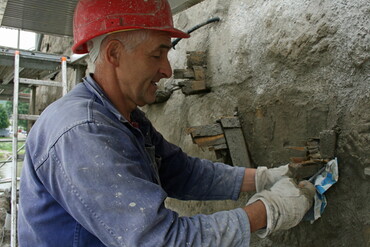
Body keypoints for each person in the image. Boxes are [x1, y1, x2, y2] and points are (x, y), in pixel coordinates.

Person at [18, 0, 315, 246]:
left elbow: (182, 173)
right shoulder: (83, 132)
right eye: (156, 54)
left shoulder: (123, 117)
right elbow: (162, 241)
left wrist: (265, 178)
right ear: (114, 53)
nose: (167, 69)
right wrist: (268, 211)